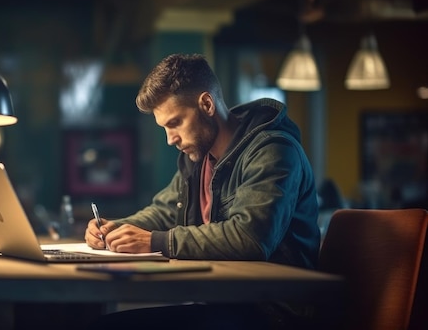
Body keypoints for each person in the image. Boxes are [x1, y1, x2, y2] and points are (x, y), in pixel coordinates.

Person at [84, 53, 321, 329]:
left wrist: (156, 241)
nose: (170, 139)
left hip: (274, 315)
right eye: (164, 127)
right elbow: (163, 212)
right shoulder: (196, 157)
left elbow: (251, 238)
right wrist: (115, 229)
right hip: (224, 304)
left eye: (175, 123)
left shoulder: (273, 151)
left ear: (206, 104)